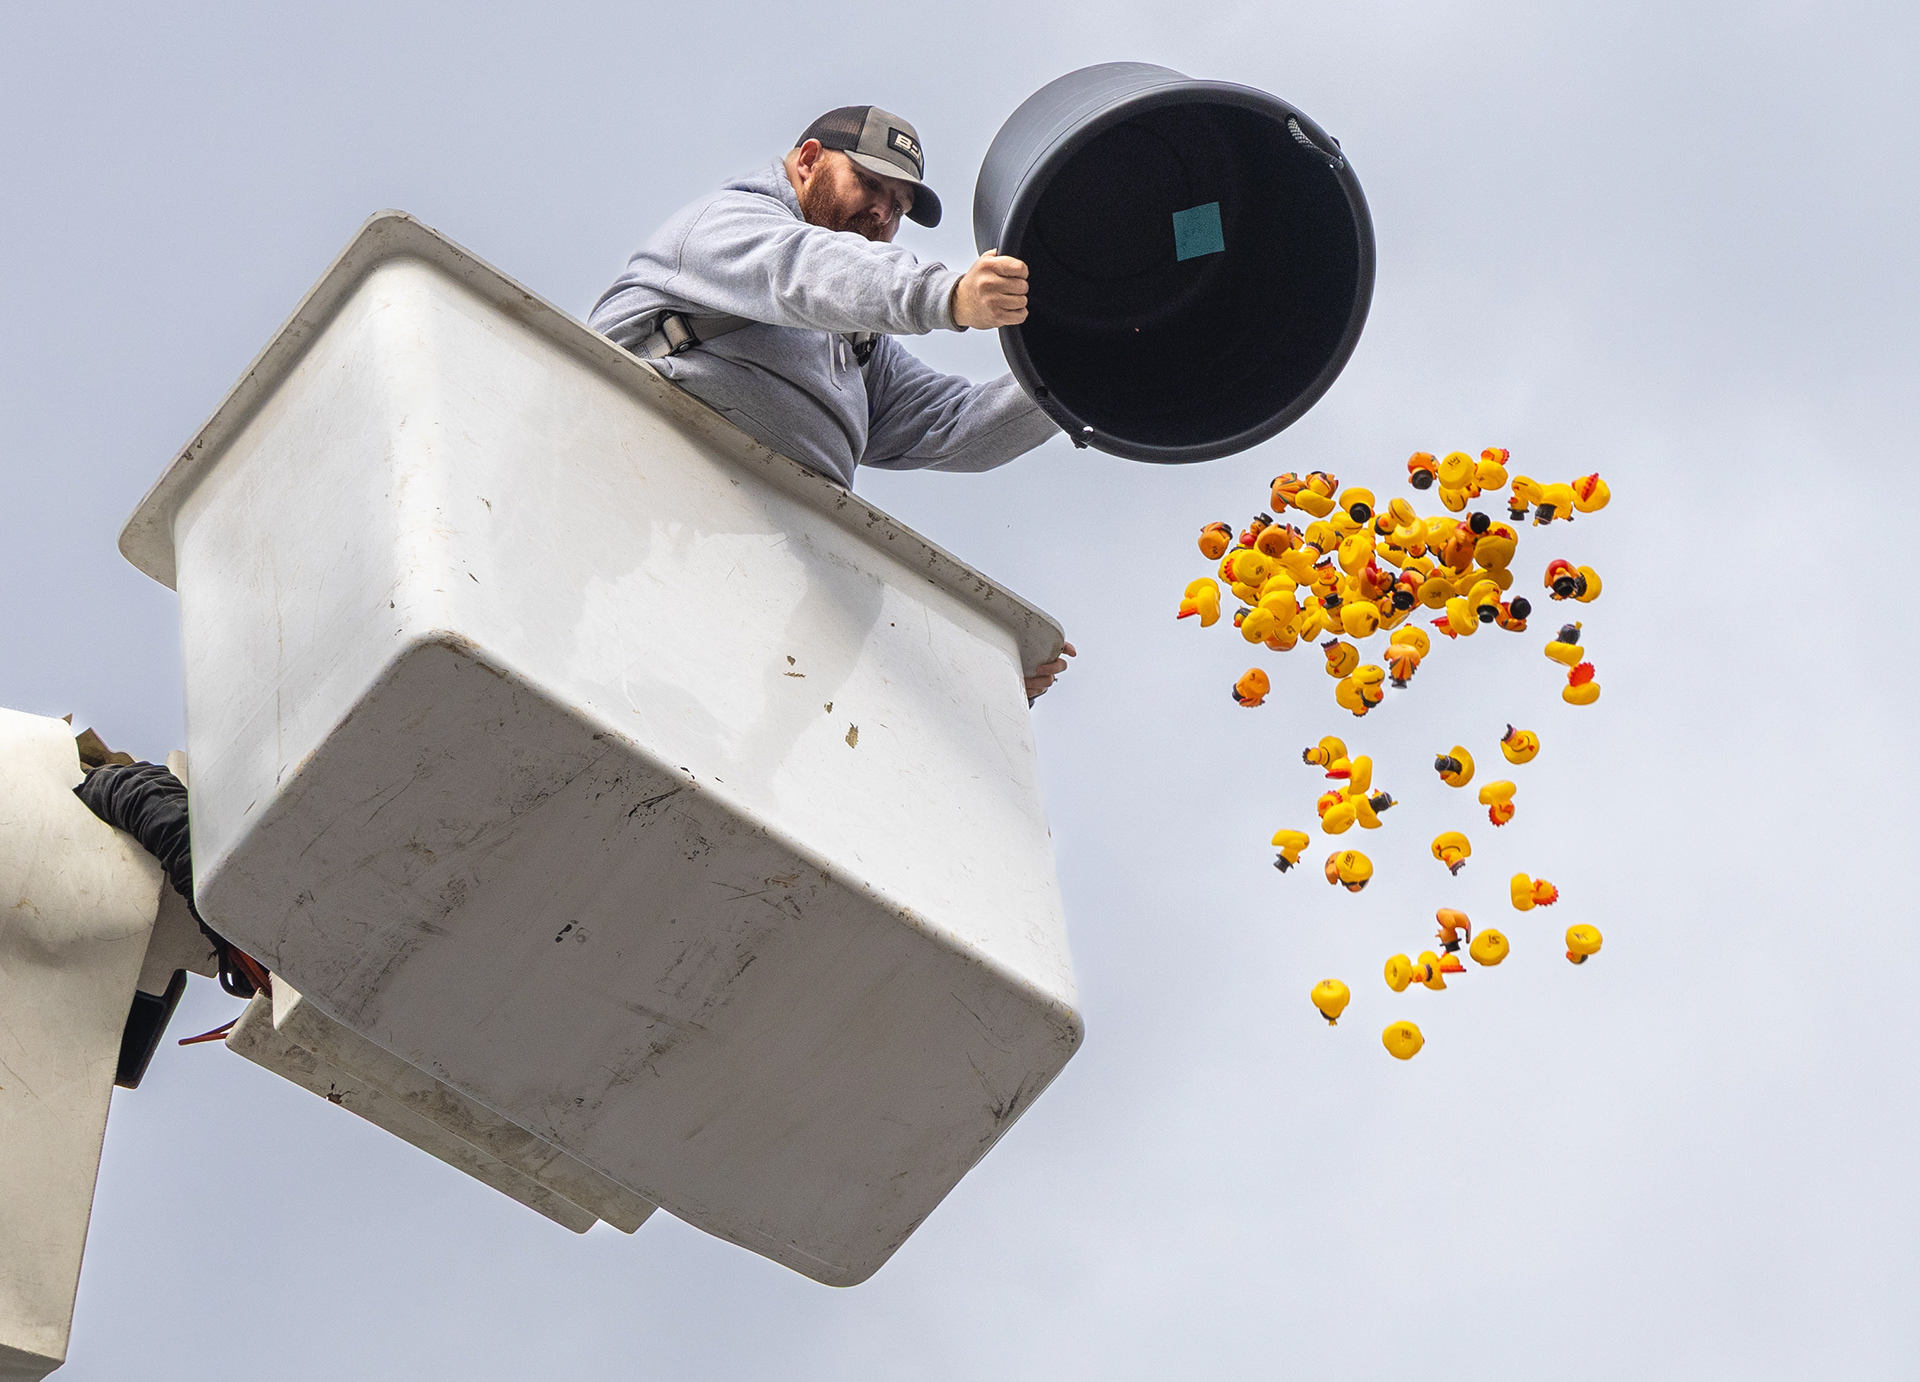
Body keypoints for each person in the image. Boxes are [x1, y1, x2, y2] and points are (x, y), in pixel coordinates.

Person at [589, 105, 1073, 698]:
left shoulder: (854, 344)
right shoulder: (727, 225)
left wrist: (1076, 378)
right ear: (808, 161)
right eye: (869, 184)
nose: (881, 213)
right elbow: (806, 271)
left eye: (897, 207)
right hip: (632, 495)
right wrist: (947, 295)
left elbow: (953, 425)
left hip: (766, 559)